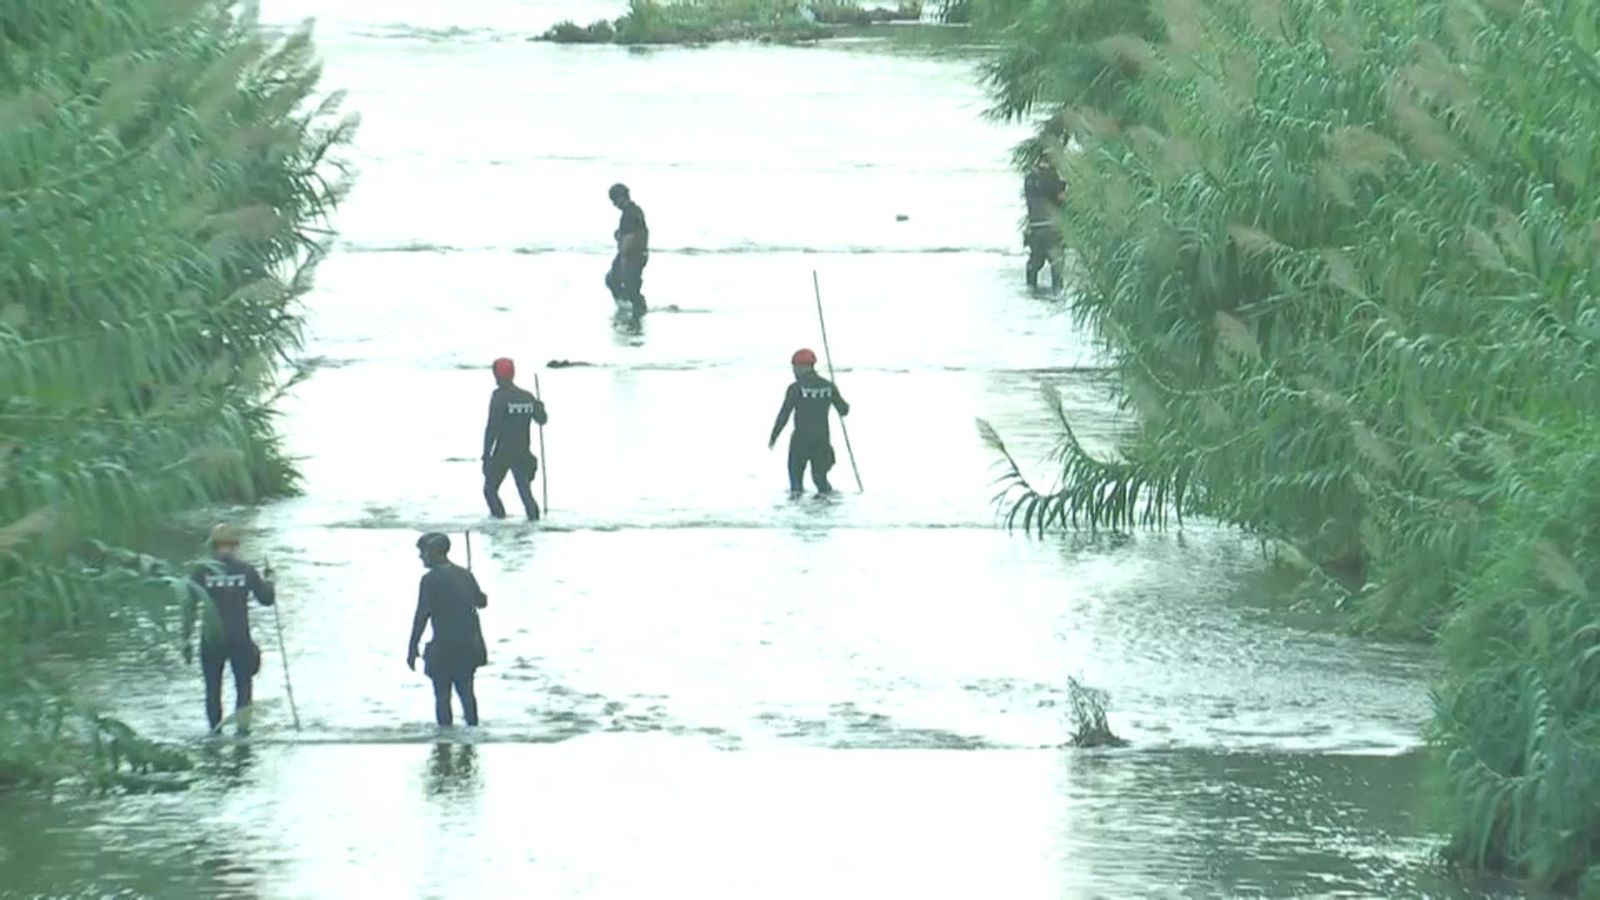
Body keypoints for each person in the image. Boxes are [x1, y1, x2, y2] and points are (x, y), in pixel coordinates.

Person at [183, 523, 276, 734]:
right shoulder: (246, 570)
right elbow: (266, 599)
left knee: (212, 688)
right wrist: (270, 581)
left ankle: (215, 733)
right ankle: (243, 733)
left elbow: (189, 608)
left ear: (213, 546)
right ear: (236, 545)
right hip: (239, 637)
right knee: (243, 685)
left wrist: (186, 639)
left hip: (211, 638)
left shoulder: (201, 572)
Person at [407, 533, 489, 727]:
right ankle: (472, 735)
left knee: (442, 698)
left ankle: (445, 740)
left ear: (435, 552)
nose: (421, 556)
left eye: (423, 552)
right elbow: (481, 602)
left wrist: (412, 647)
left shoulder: (430, 580)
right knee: (467, 695)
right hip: (469, 646)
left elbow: (422, 615)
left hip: (444, 649)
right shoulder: (465, 575)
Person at [768, 348, 851, 496]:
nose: (794, 371)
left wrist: (774, 437)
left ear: (803, 367)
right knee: (820, 480)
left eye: (795, 367)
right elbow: (844, 410)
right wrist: (833, 392)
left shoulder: (795, 388)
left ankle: (797, 510)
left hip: (800, 441)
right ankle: (826, 507)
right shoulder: (828, 386)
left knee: (796, 485)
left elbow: (784, 415)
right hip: (822, 441)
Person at [482, 357, 548, 521]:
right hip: (522, 452)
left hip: (503, 453)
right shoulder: (527, 397)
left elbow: (492, 428)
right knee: (525, 493)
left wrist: (486, 455)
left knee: (490, 490)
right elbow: (542, 420)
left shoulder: (499, 397)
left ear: (497, 375)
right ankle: (534, 523)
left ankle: (498, 521)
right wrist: (539, 407)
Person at [604, 182, 649, 316]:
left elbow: (631, 238)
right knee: (613, 280)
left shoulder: (630, 214)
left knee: (629, 285)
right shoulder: (634, 211)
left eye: (614, 200)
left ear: (621, 198)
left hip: (631, 255)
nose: (614, 204)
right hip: (637, 254)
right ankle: (629, 305)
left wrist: (624, 257)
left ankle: (636, 309)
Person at [1023, 158, 1066, 290]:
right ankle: (1056, 294)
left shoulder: (1030, 178)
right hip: (1052, 229)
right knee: (1057, 266)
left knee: (1035, 263)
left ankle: (1031, 291)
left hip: (1034, 228)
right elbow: (1061, 199)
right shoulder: (1053, 178)